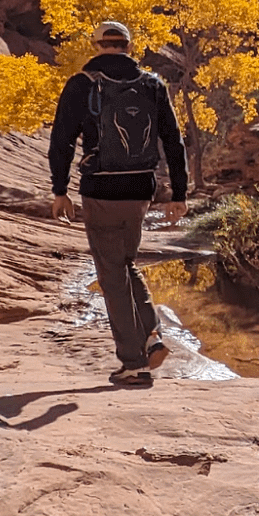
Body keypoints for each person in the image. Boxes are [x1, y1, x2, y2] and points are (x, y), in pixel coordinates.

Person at [48, 21, 188, 386]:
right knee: (124, 263)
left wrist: (59, 189)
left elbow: (61, 139)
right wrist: (180, 194)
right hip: (141, 190)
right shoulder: (152, 85)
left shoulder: (82, 84)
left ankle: (134, 363)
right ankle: (151, 334)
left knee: (111, 275)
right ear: (127, 46)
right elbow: (173, 141)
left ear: (96, 45)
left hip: (102, 190)